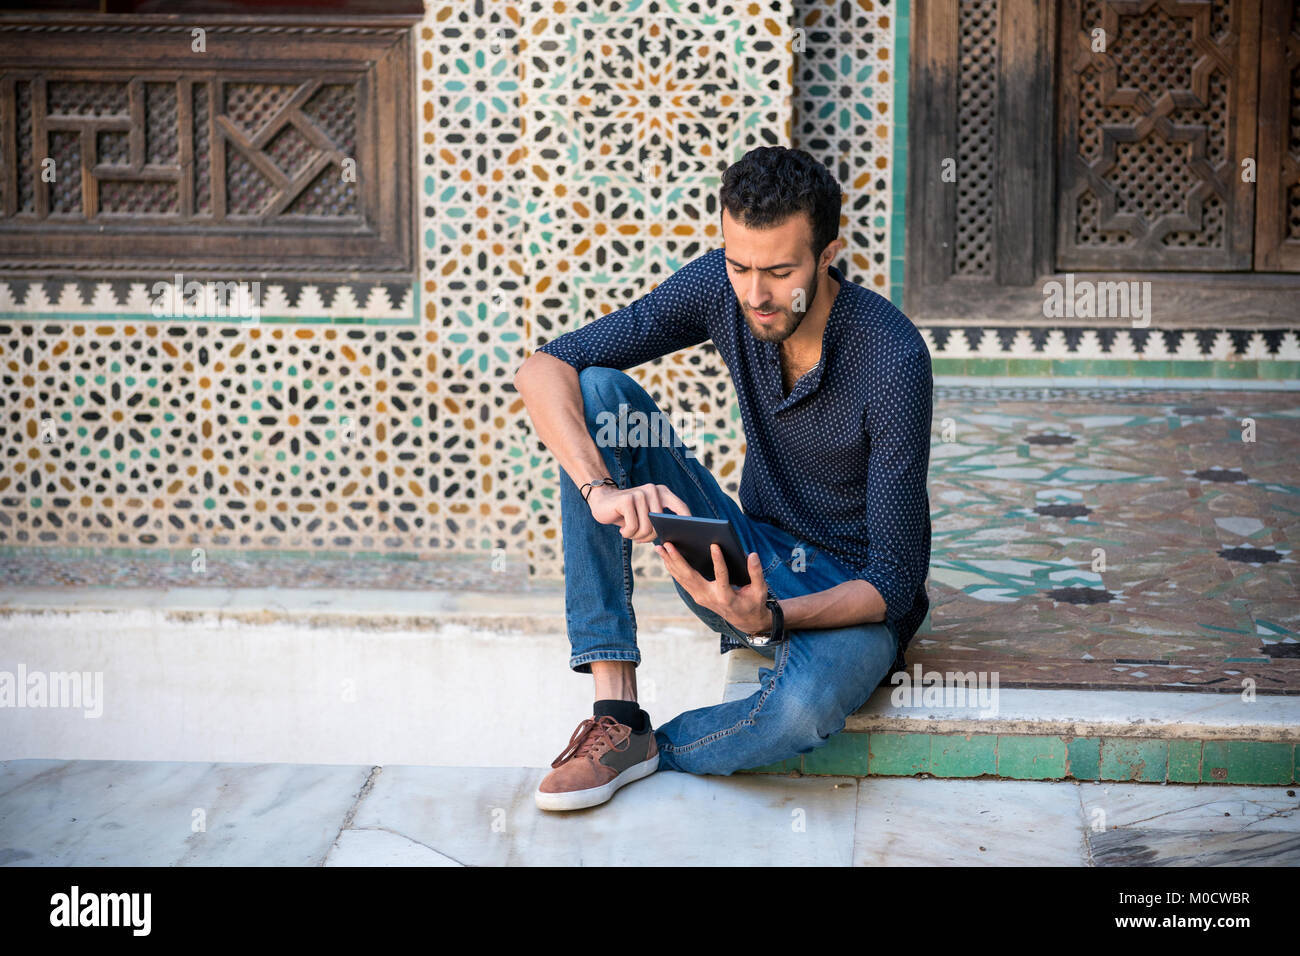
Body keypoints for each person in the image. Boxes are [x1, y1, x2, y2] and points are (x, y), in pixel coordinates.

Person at [513, 146, 932, 811]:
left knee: (795, 714)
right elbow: (544, 368)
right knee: (597, 395)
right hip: (746, 555)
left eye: (779, 271)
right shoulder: (721, 286)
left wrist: (771, 617)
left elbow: (894, 583)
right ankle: (615, 712)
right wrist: (600, 489)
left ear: (827, 255)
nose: (756, 295)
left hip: (852, 596)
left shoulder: (894, 357)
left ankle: (656, 747)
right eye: (740, 266)